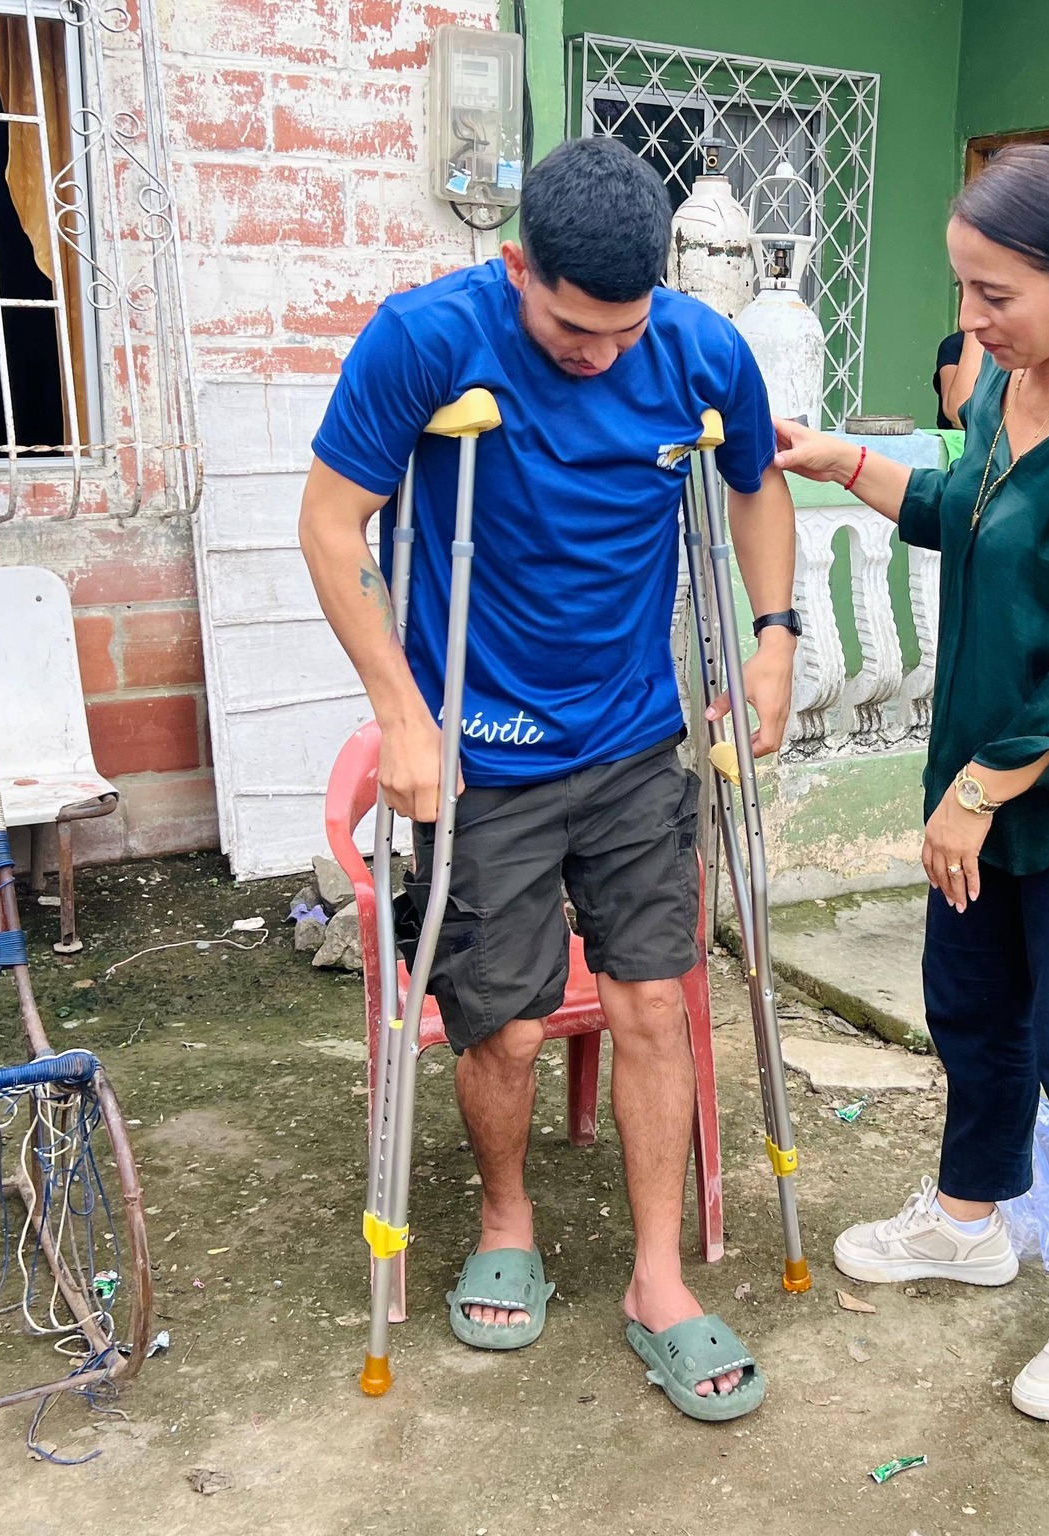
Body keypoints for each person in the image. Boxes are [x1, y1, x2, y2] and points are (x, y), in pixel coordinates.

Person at [299, 137, 799, 1422]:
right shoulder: (425, 340)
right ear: (517, 267)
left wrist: (773, 637)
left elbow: (753, 487)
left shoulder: (696, 350)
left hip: (633, 743)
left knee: (652, 1005)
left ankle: (655, 1278)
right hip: (482, 755)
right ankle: (506, 1218)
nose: (599, 355)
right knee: (507, 1024)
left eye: (623, 331)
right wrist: (400, 716)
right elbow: (331, 521)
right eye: (575, 329)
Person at [775, 143, 1049, 1423]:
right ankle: (968, 1218)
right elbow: (965, 511)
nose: (968, 319)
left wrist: (976, 793)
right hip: (990, 774)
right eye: (961, 287)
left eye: (994, 294)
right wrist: (837, 462)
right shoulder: (1008, 388)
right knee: (973, 1009)